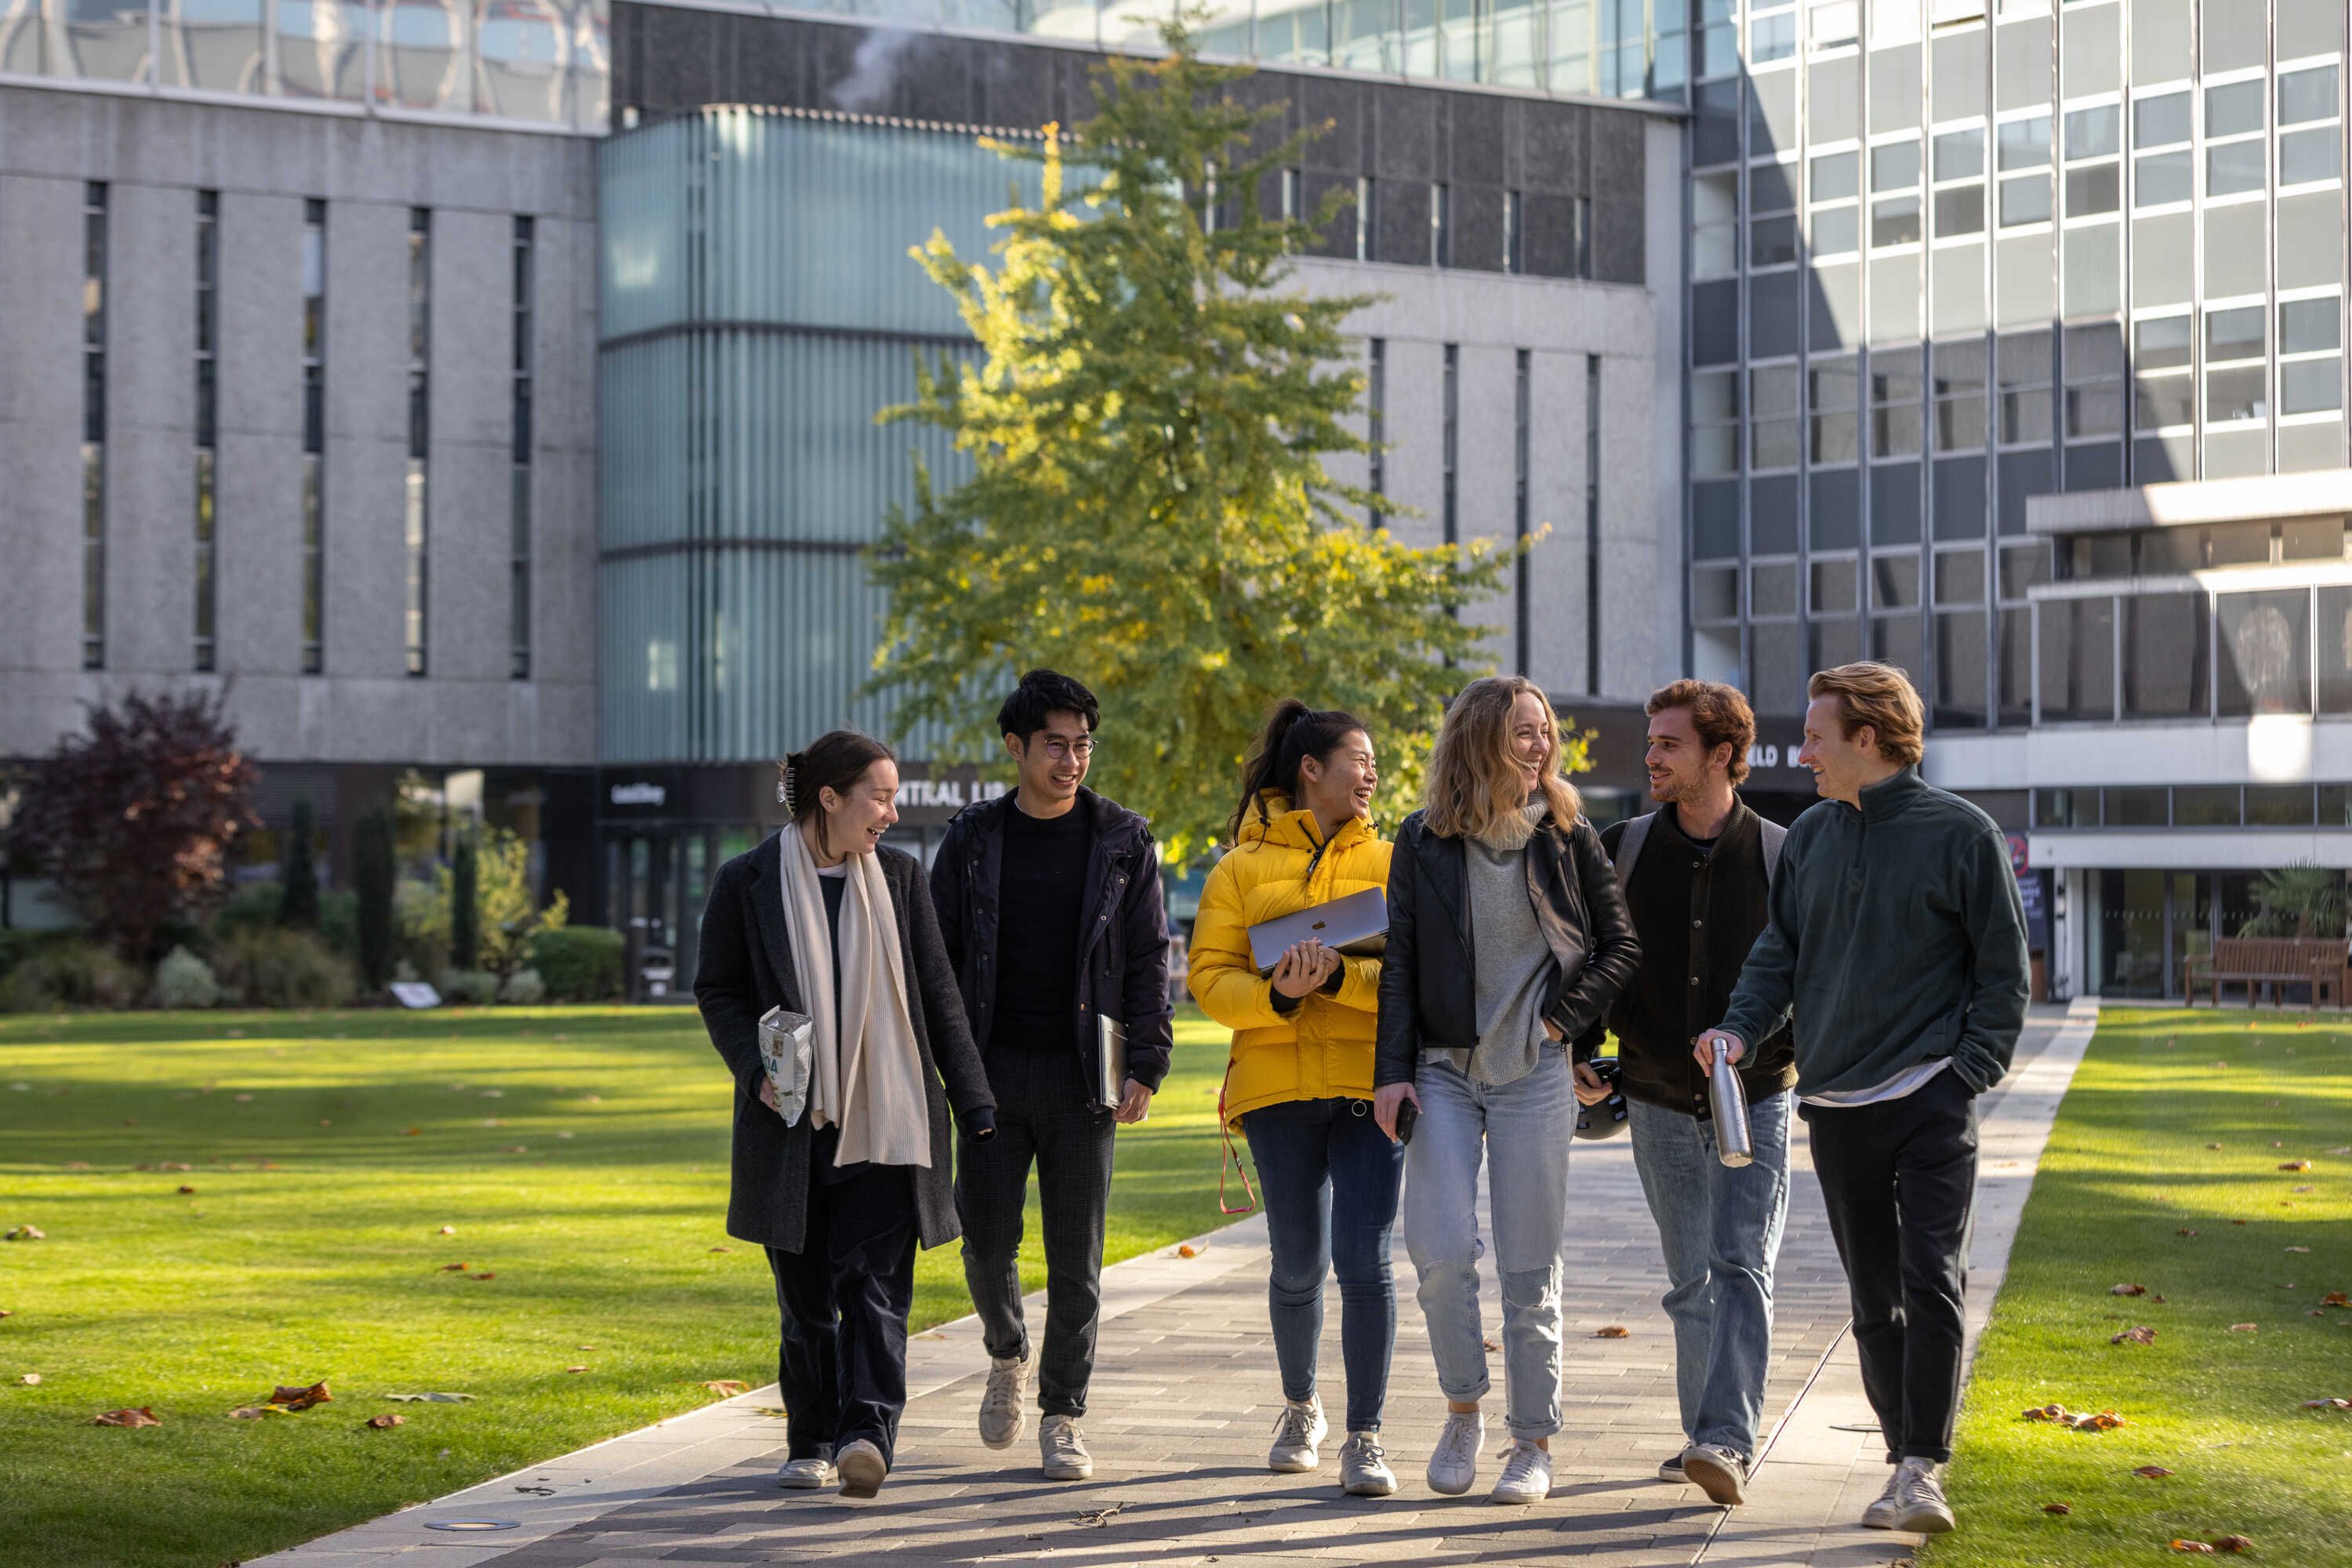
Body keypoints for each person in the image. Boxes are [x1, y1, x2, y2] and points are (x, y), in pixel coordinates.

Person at [1698, 662, 2028, 1537]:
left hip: (1930, 1097)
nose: (1801, 749)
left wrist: (1970, 1069)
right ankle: (1899, 1459)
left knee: (1933, 1279)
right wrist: (1737, 1028)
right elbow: (1779, 954)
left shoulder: (1963, 833)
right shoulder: (1811, 836)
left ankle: (1924, 1465)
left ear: (1867, 739)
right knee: (1874, 1298)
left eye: (1814, 735)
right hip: (1837, 1106)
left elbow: (2003, 970)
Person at [693, 729, 997, 1501]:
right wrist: (753, 1064)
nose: (891, 813)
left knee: (875, 1292)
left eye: (894, 797)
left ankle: (866, 1433)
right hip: (791, 1124)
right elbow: (718, 987)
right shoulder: (747, 880)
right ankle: (811, 1437)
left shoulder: (898, 878)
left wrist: (974, 1102)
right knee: (806, 1304)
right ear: (829, 798)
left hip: (887, 1115)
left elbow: (938, 990)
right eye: (881, 796)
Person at [1373, 675, 1641, 1505]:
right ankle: (1463, 1410)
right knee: (1441, 1252)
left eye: (1545, 731)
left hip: (1533, 1076)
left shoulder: (1567, 831)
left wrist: (1561, 1027)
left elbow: (1620, 947)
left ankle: (1533, 1440)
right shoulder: (1423, 840)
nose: (1541, 745)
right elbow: (1403, 964)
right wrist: (1390, 1073)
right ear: (1482, 739)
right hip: (1444, 1073)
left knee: (1531, 1267)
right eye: (1525, 731)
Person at [931, 670, 1174, 1483]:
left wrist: (1147, 1061)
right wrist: (951, 1063)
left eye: (1083, 745)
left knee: (1080, 1260)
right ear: (1015, 746)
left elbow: (1147, 958)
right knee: (987, 1239)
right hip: (990, 1074)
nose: (1072, 760)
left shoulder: (1123, 839)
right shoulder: (972, 838)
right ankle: (1007, 1349)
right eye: (1055, 745)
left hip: (1084, 1075)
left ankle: (1063, 1412)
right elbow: (939, 959)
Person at [1583, 680, 1792, 1508]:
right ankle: (1706, 1434)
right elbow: (1595, 962)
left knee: (1742, 1263)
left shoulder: (1783, 853)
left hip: (1760, 1093)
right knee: (1689, 1277)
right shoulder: (1621, 848)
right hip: (1658, 1095)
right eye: (1653, 740)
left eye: (1670, 743)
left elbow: (1805, 976)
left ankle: (1724, 1438)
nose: (1653, 756)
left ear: (1722, 755)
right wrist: (1579, 1044)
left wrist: (1779, 1045)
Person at [1190, 702, 1401, 1497]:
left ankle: (1366, 1434)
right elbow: (1209, 977)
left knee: (1366, 1260)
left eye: (1375, 760)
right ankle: (1300, 1404)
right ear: (1311, 768)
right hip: (1276, 1090)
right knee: (1298, 1263)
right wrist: (1277, 996)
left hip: (1366, 1089)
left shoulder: (1389, 860)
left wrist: (1342, 978)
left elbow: (1412, 979)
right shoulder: (1238, 870)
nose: (1372, 772)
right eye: (1360, 757)